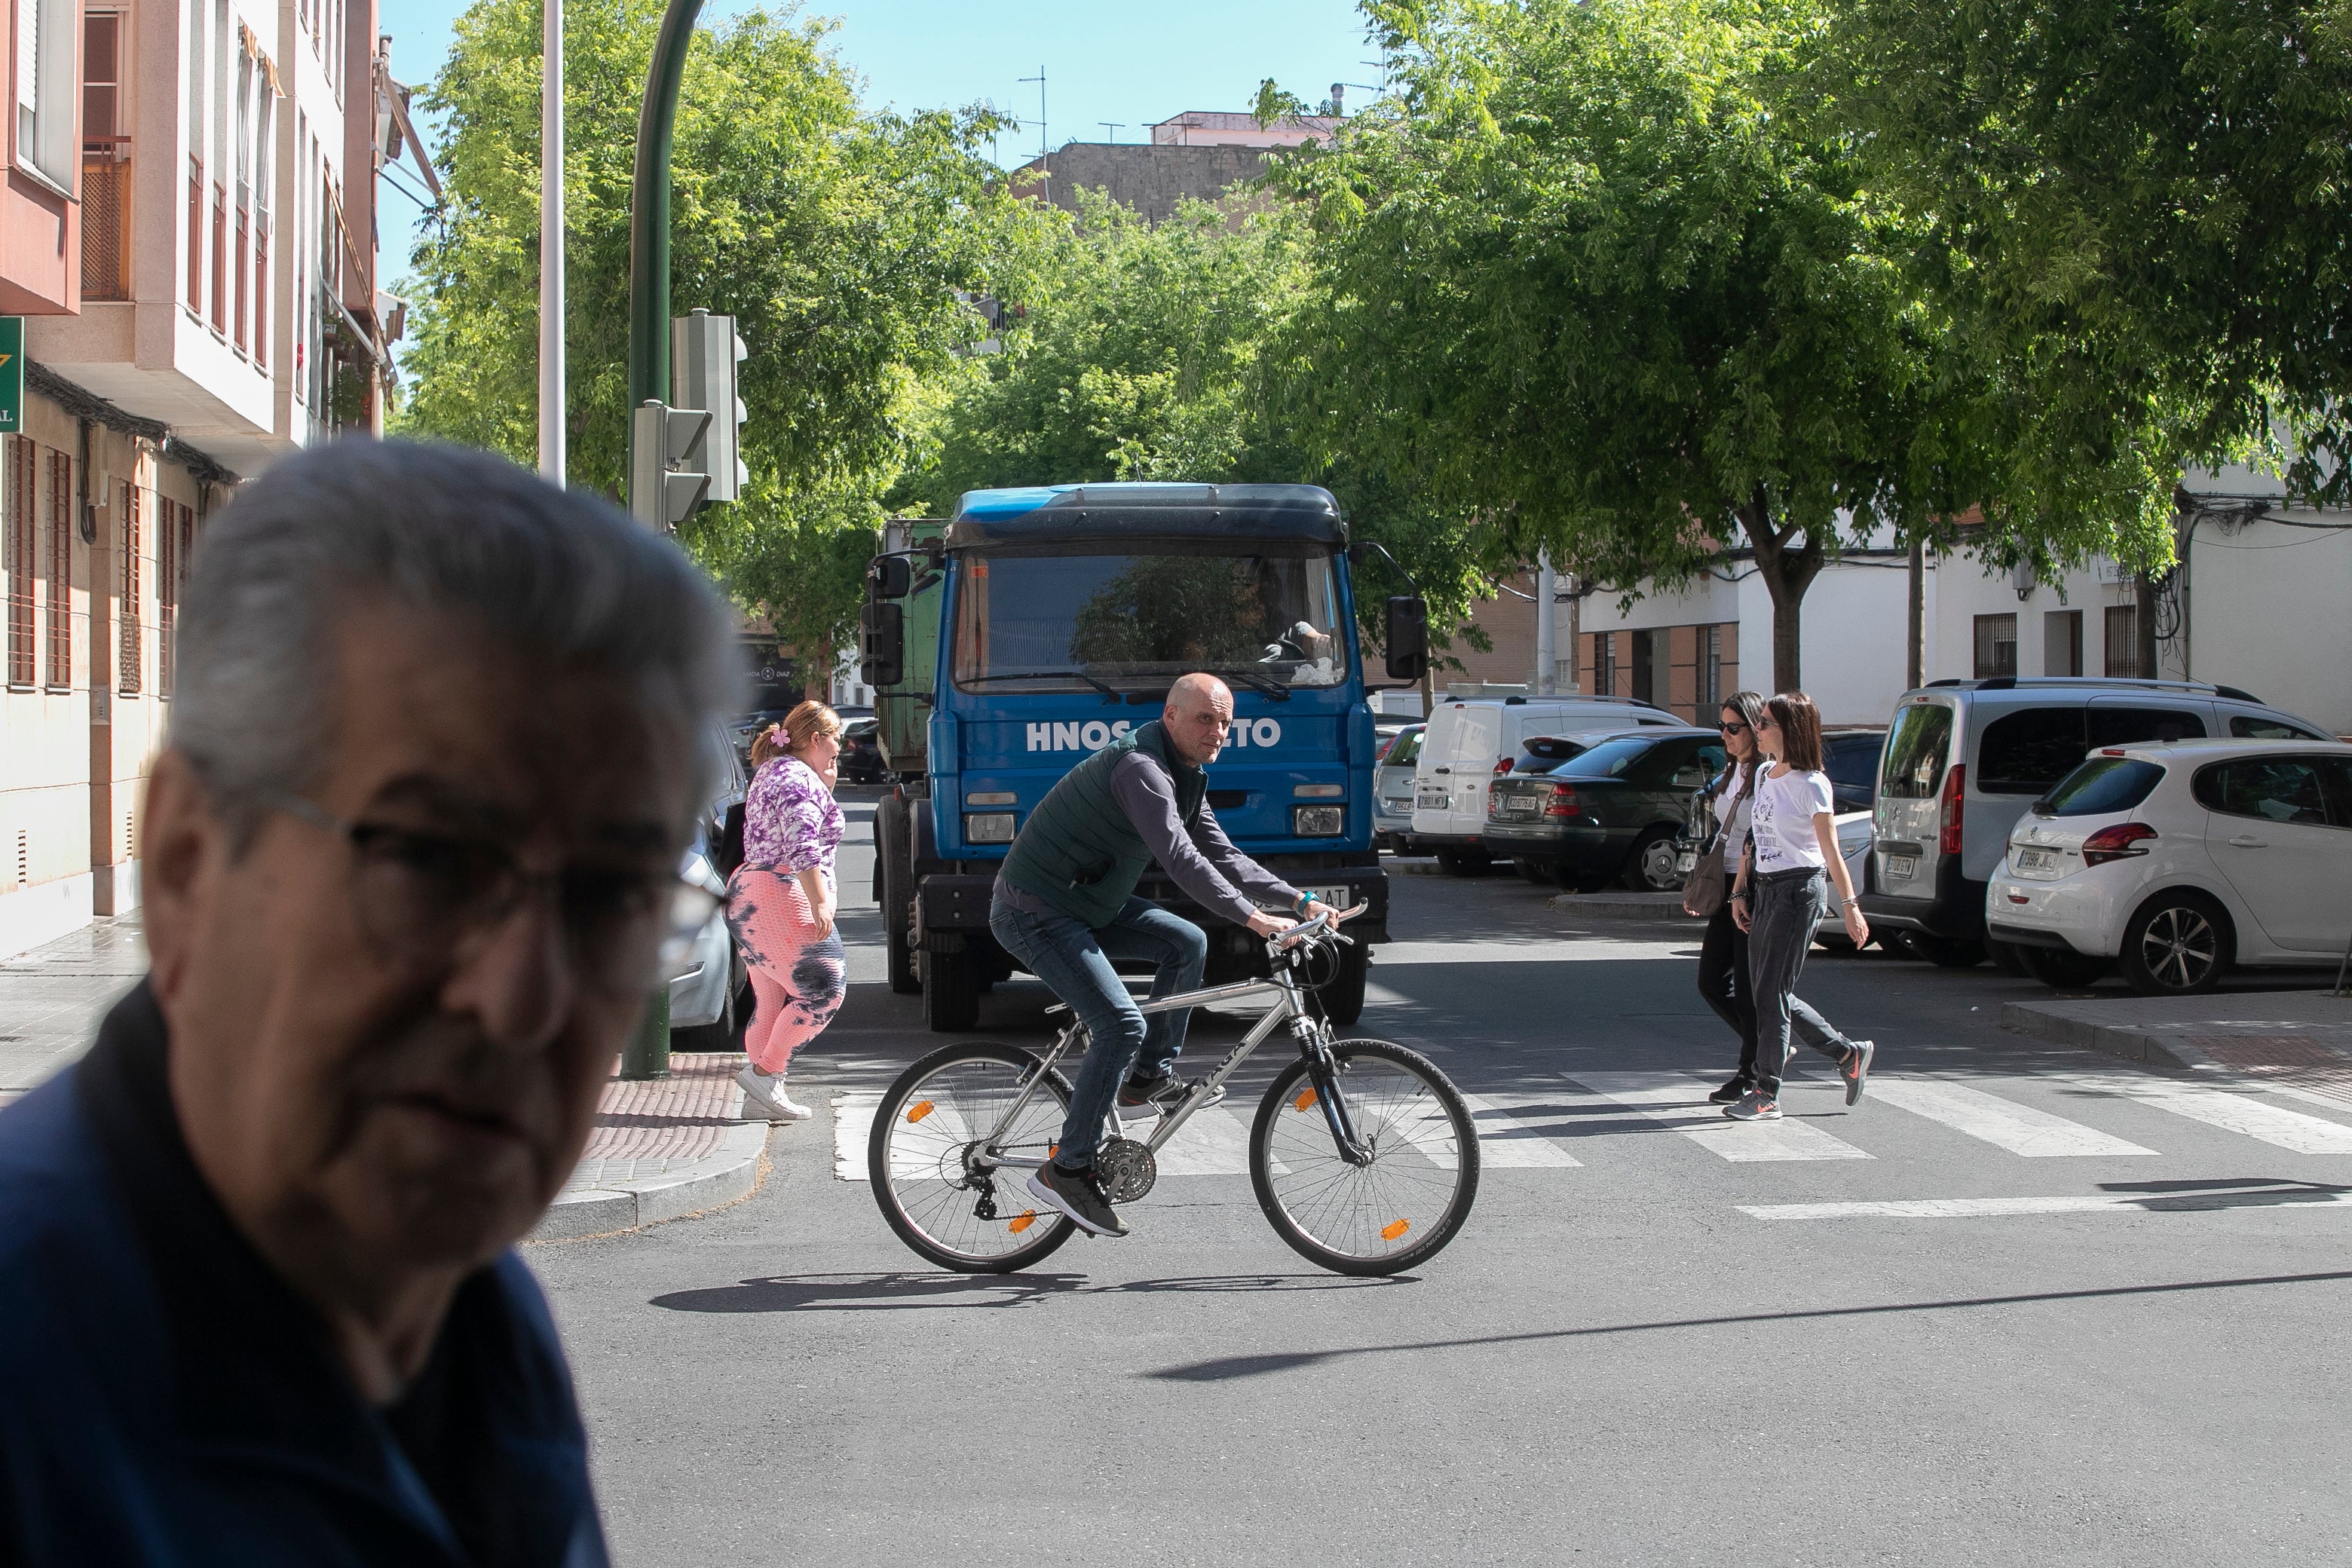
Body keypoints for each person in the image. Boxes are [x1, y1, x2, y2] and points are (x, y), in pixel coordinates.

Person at [0, 440, 738, 1564]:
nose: (523, 999)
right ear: (189, 861)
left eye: (608, 897)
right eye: (434, 862)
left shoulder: (483, 1327)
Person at [989, 672, 1356, 1239]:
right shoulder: (1141, 769)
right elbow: (1182, 859)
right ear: (1171, 716)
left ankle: (1143, 1083)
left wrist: (1298, 898)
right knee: (1118, 1023)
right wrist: (1255, 919)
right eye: (1206, 719)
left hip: (1088, 902)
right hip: (1035, 909)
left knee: (1188, 942)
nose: (1218, 732)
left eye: (1226, 722)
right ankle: (1067, 1169)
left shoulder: (1186, 776)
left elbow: (1221, 853)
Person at [1686, 691, 1873, 1107]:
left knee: (1769, 993)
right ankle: (1846, 1052)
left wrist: (1850, 907)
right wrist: (1739, 892)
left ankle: (1766, 1091)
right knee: (1767, 992)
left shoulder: (1812, 784)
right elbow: (1755, 843)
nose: (1758, 730)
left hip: (1799, 889)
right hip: (1765, 888)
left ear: (1790, 730)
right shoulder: (1767, 774)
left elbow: (1831, 852)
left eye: (1765, 723)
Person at [728, 700, 847, 1121]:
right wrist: (819, 901)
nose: (839, 751)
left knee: (770, 998)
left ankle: (759, 1099)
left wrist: (826, 786)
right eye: (835, 742)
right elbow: (803, 845)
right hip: (781, 891)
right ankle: (766, 1076)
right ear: (815, 738)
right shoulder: (798, 778)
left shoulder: (773, 770)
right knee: (825, 992)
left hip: (747, 892)